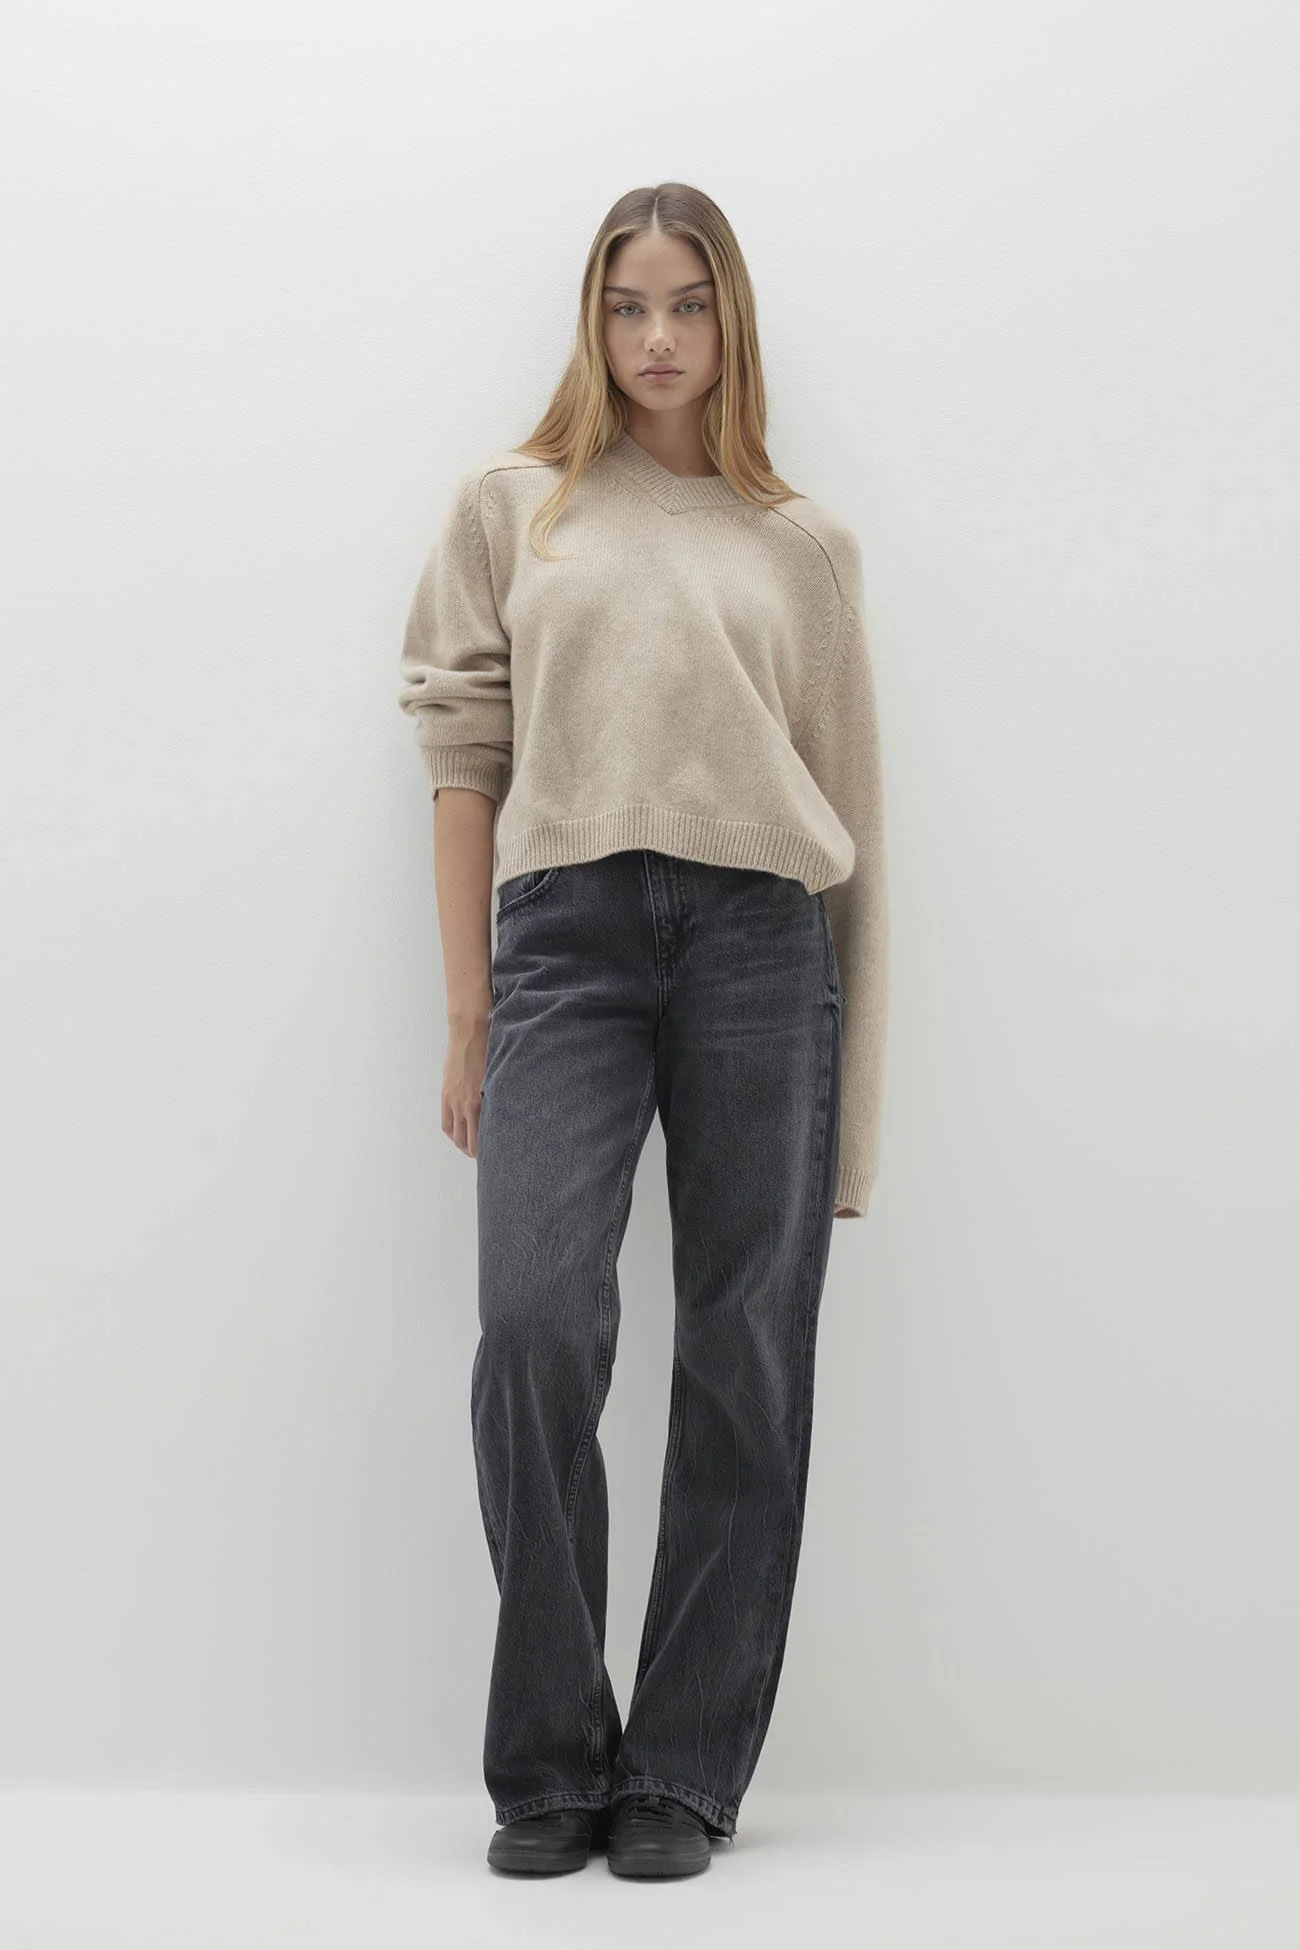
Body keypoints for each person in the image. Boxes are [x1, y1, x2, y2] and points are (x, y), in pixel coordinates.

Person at [397, 181, 890, 1880]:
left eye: (687, 306)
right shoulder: (513, 507)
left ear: (729, 320)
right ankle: (551, 1759)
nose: (658, 338)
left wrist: (855, 1114)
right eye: (627, 306)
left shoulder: (804, 548)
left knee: (745, 1353)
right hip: (565, 940)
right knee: (536, 1324)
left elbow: (858, 831)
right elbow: (462, 756)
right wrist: (468, 1006)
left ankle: (681, 1768)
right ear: (591, 321)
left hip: (763, 945)